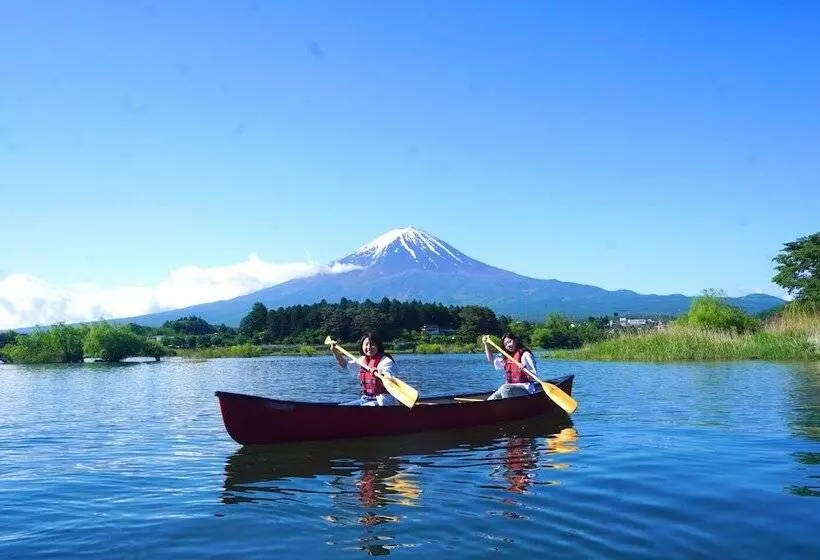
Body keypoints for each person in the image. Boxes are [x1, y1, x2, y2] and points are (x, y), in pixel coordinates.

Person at [330, 331, 399, 406]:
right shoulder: (362, 360)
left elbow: (389, 377)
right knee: (341, 407)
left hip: (382, 400)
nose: (369, 347)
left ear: (378, 346)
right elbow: (344, 364)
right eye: (366, 344)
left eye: (372, 344)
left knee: (369, 405)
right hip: (365, 398)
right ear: (362, 346)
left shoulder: (386, 361)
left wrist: (379, 373)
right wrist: (335, 352)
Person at [483, 332, 540, 400]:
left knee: (505, 388)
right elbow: (491, 359)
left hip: (526, 389)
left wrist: (525, 369)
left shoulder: (525, 354)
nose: (508, 345)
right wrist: (486, 345)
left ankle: (508, 405)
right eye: (505, 344)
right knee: (493, 397)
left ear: (515, 340)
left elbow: (533, 377)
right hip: (510, 388)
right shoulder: (507, 357)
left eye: (509, 342)